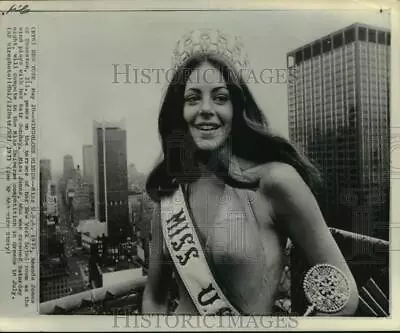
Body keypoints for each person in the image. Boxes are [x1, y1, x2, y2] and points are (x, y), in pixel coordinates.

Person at [142, 29, 359, 315]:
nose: (206, 109)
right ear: (178, 112)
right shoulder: (170, 195)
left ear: (237, 107)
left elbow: (343, 294)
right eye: (193, 98)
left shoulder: (275, 182)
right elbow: (155, 298)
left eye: (220, 98)